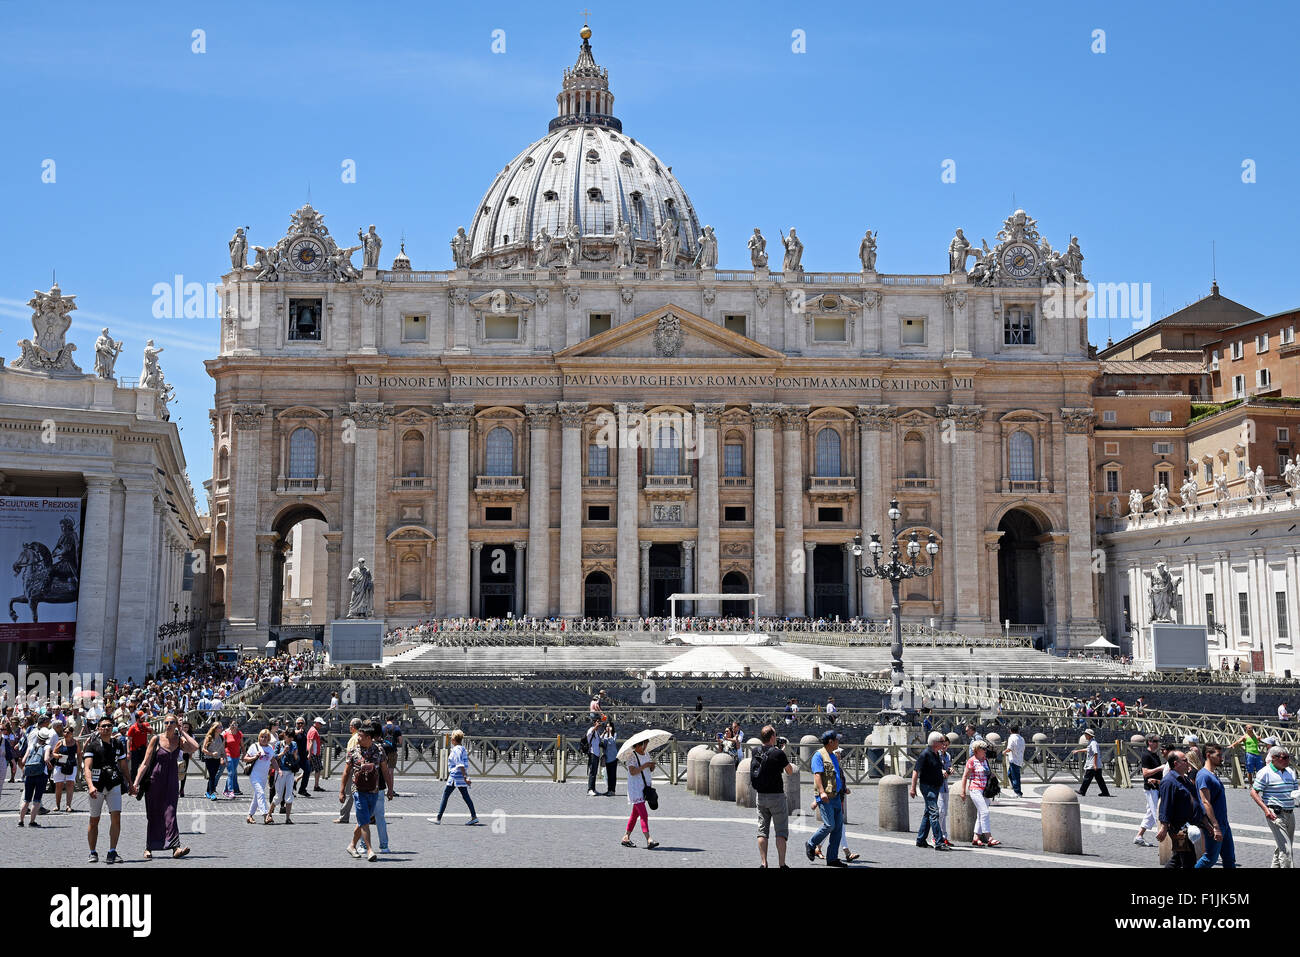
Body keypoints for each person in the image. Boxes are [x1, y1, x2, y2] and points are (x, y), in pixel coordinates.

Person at [133, 713, 197, 859]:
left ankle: (175, 847)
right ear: (163, 724)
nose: (169, 725)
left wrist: (183, 732)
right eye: (166, 723)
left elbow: (194, 747)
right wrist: (136, 782)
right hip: (155, 781)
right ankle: (149, 848)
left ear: (176, 725)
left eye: (172, 723)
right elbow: (145, 763)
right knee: (153, 814)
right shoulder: (156, 739)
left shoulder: (179, 740)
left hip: (172, 781)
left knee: (171, 812)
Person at [84, 715, 135, 863]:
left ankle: (112, 851)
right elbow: (87, 767)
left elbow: (123, 765)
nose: (106, 728)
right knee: (94, 819)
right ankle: (92, 852)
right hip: (97, 785)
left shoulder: (118, 743)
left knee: (116, 817)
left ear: (112, 728)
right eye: (103, 726)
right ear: (98, 728)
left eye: (109, 726)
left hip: (114, 783)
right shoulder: (92, 745)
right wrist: (90, 786)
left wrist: (130, 783)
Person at [340, 723, 388, 861]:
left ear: (368, 737)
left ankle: (352, 845)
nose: (358, 738)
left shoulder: (379, 750)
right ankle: (370, 850)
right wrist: (342, 791)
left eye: (360, 736)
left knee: (363, 819)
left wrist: (390, 788)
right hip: (358, 790)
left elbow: (385, 770)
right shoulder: (353, 751)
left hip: (374, 790)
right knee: (365, 822)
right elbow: (346, 772)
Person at [752, 725, 795, 868]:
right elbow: (789, 771)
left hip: (761, 796)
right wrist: (782, 754)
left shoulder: (755, 751)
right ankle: (782, 864)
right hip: (776, 796)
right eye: (775, 735)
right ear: (772, 737)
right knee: (781, 832)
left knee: (762, 831)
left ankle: (763, 863)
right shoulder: (778, 754)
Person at [805, 729, 848, 866]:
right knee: (829, 825)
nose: (838, 742)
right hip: (825, 797)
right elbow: (817, 775)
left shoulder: (833, 756)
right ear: (831, 742)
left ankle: (832, 858)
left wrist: (843, 788)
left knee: (837, 828)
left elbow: (835, 775)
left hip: (836, 796)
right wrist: (822, 792)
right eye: (837, 740)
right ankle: (811, 843)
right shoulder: (819, 755)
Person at [1156, 751, 1204, 869]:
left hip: (1188, 826)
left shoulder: (1185, 779)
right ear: (1176, 763)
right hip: (1179, 828)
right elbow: (1166, 805)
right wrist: (1164, 827)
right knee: (1188, 859)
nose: (1188, 762)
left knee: (1178, 859)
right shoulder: (1169, 781)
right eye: (1185, 760)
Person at [1249, 745, 1295, 868]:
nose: (1287, 760)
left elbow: (1296, 789)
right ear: (1274, 758)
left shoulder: (1291, 771)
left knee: (1282, 846)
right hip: (1276, 814)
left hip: (1290, 813)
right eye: (1284, 757)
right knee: (1286, 850)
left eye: (1288, 757)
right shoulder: (1265, 772)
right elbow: (1254, 792)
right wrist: (1266, 809)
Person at [1195, 744, 1235, 868]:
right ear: (1208, 755)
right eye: (1218, 755)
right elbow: (1205, 802)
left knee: (1229, 859)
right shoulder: (1203, 776)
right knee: (1210, 859)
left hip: (1223, 823)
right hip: (1215, 824)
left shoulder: (1212, 774)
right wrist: (1216, 826)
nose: (1221, 758)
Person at [911, 731, 951, 851]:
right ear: (935, 743)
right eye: (941, 741)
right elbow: (915, 771)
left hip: (935, 786)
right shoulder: (925, 754)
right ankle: (939, 842)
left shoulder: (936, 753)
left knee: (928, 813)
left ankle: (921, 839)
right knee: (934, 812)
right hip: (927, 787)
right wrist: (912, 788)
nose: (943, 744)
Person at [959, 740, 1000, 847]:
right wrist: (963, 791)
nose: (985, 751)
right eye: (983, 749)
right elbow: (965, 776)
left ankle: (976, 837)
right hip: (975, 789)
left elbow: (988, 773)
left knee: (980, 814)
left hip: (985, 790)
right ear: (977, 750)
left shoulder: (985, 760)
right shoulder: (971, 761)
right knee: (985, 812)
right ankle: (989, 837)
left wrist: (993, 777)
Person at [435, 729, 479, 825]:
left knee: (446, 795)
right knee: (465, 796)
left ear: (454, 739)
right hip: (458, 775)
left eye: (451, 738)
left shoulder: (456, 750)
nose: (451, 740)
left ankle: (438, 818)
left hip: (456, 776)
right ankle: (474, 816)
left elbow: (460, 764)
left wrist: (465, 777)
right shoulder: (462, 748)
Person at [621, 737, 658, 849]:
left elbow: (649, 770)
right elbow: (632, 772)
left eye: (646, 744)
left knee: (635, 814)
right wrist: (645, 765)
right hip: (635, 789)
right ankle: (649, 839)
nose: (646, 746)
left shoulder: (646, 754)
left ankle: (626, 837)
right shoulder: (631, 756)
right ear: (638, 745)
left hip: (644, 787)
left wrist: (652, 766)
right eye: (644, 744)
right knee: (643, 814)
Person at [18, 725, 53, 827]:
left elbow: (23, 761)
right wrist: (50, 762)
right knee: (37, 799)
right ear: (46, 738)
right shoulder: (47, 747)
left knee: (26, 799)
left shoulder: (31, 747)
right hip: (41, 775)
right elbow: (46, 759)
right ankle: (32, 822)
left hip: (29, 775)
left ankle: (21, 821)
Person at [1134, 734, 1163, 847]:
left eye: (1158, 741)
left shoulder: (1155, 755)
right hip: (1151, 788)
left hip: (1156, 787)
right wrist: (1160, 768)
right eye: (1155, 741)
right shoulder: (1146, 755)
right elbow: (1145, 773)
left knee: (1150, 813)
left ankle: (1139, 836)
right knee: (1157, 813)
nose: (1157, 743)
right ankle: (1164, 841)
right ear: (1149, 742)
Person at [244, 728, 277, 825]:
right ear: (259, 737)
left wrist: (278, 770)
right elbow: (245, 758)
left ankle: (249, 815)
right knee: (261, 793)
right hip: (255, 775)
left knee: (257, 796)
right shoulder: (254, 746)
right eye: (262, 737)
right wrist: (254, 757)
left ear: (269, 739)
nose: (263, 739)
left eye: (266, 737)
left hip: (264, 776)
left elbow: (273, 760)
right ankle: (266, 815)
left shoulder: (270, 748)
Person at [334, 718, 363, 824]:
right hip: (360, 768)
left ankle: (344, 816)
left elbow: (350, 755)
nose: (349, 727)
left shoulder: (354, 738)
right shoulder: (360, 736)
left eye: (350, 725)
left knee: (348, 792)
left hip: (352, 768)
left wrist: (347, 770)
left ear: (353, 727)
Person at [50, 723, 80, 812]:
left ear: (72, 733)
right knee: (59, 786)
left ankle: (68, 805)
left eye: (67, 732)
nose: (65, 734)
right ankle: (57, 805)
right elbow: (53, 753)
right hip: (60, 765)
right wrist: (57, 755)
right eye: (64, 732)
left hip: (71, 765)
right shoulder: (60, 742)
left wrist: (80, 765)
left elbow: (79, 754)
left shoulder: (76, 742)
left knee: (70, 785)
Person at [1071, 728, 1110, 796]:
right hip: (1096, 765)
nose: (1085, 735)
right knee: (1099, 779)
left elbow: (1095, 753)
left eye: (1086, 734)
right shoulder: (1092, 742)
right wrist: (1078, 751)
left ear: (1089, 735)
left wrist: (1094, 764)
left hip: (1093, 765)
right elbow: (1088, 749)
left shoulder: (1093, 743)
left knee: (1087, 778)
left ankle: (1082, 791)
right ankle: (1105, 792)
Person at [271, 730, 297, 824]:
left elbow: (296, 758)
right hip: (280, 771)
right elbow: (274, 757)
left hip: (290, 771)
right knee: (278, 796)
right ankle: (269, 814)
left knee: (289, 795)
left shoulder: (294, 744)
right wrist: (283, 752)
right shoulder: (279, 744)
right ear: (285, 736)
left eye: (292, 737)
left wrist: (295, 755)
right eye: (288, 736)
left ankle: (288, 818)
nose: (290, 739)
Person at [200, 720, 224, 800]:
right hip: (209, 758)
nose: (221, 728)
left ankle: (207, 792)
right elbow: (203, 749)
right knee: (212, 775)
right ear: (215, 728)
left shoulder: (221, 737)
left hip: (217, 759)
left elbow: (222, 749)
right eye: (219, 727)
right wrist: (211, 753)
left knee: (212, 776)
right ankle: (212, 792)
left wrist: (224, 757)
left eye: (221, 727)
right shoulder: (209, 737)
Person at [222, 719, 243, 798]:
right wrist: (222, 756)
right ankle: (231, 791)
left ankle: (225, 790)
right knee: (231, 773)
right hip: (228, 755)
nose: (234, 726)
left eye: (236, 724)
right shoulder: (226, 734)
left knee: (233, 773)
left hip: (236, 756)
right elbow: (222, 746)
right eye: (233, 724)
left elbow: (242, 745)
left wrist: (244, 754)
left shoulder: (239, 734)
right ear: (230, 725)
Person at [127, 713, 150, 780]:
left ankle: (142, 783)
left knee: (144, 766)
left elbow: (151, 732)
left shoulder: (145, 726)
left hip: (143, 749)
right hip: (135, 750)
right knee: (134, 768)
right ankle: (132, 785)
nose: (143, 719)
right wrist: (128, 752)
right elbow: (129, 740)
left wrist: (151, 729)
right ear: (137, 719)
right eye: (142, 718)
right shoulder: (132, 728)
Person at [585, 714, 604, 796]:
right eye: (597, 722)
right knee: (592, 772)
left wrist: (604, 732)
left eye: (600, 722)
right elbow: (589, 734)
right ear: (594, 723)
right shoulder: (591, 729)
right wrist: (596, 726)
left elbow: (599, 740)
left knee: (595, 772)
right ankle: (590, 789)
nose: (599, 723)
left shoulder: (597, 732)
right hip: (592, 753)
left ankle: (593, 788)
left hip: (597, 754)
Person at [1005, 724, 1025, 798]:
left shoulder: (1011, 738)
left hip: (1013, 759)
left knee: (1015, 776)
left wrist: (1004, 752)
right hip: (1019, 759)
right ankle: (1016, 789)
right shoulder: (1021, 738)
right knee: (1010, 774)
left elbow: (1009, 748)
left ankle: (1018, 792)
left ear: (1010, 731)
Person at [307, 717, 326, 792]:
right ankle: (316, 785)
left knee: (309, 770)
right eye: (320, 724)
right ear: (317, 723)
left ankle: (296, 780)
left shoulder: (312, 730)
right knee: (318, 769)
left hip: (313, 753)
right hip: (314, 753)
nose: (321, 725)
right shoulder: (314, 731)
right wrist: (309, 754)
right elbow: (311, 742)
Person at [293, 717, 311, 797]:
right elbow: (290, 733)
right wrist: (297, 732)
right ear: (295, 724)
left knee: (307, 770)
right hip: (295, 756)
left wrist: (308, 753)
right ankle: (290, 790)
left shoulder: (304, 732)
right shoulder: (293, 731)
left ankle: (302, 789)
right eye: (298, 723)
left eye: (302, 723)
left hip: (303, 756)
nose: (300, 724)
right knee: (291, 773)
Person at [601, 722, 619, 796]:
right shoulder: (605, 735)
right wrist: (604, 732)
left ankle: (613, 790)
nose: (608, 728)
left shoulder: (614, 734)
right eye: (607, 727)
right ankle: (609, 790)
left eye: (609, 726)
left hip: (614, 757)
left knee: (613, 775)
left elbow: (613, 741)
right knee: (608, 775)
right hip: (607, 757)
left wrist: (610, 733)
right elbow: (600, 739)